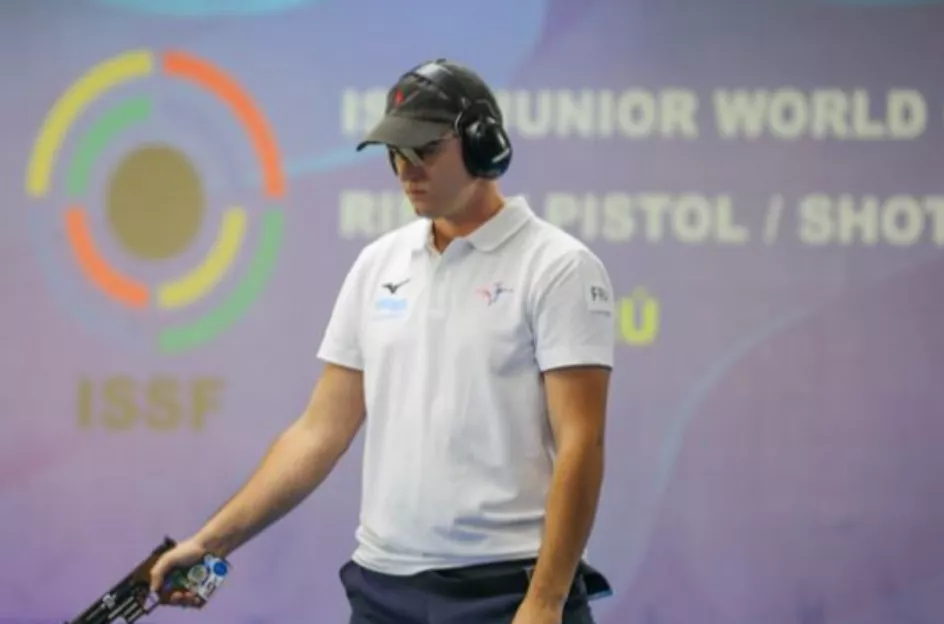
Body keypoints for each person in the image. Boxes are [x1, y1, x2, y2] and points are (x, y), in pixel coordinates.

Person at [149, 58, 617, 624]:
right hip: (381, 591)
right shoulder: (378, 264)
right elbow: (319, 431)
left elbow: (581, 446)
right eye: (396, 152)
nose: (405, 169)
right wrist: (214, 541)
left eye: (424, 150)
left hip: (508, 592)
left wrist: (544, 602)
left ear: (483, 145)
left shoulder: (560, 267)